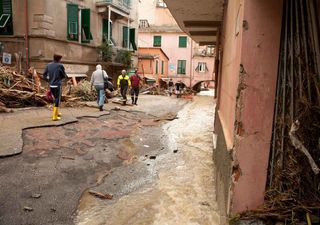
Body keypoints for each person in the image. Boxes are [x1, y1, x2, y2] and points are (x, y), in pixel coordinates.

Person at [43, 53, 67, 121]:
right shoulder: (60, 65)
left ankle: (57, 112)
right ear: (59, 59)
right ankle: (54, 116)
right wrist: (61, 78)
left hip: (51, 85)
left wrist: (48, 80)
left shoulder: (48, 65)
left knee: (55, 98)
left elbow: (44, 75)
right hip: (57, 85)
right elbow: (63, 75)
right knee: (57, 99)